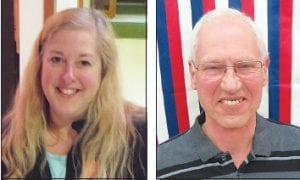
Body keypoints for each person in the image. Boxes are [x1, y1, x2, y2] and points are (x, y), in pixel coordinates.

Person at [2, 8, 147, 179]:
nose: (68, 76)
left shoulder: (141, 136)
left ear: (103, 71)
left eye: (84, 62)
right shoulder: (7, 138)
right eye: (57, 59)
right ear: (40, 65)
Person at [157, 8, 300, 179]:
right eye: (214, 68)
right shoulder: (159, 167)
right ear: (193, 74)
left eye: (245, 65)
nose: (231, 85)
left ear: (265, 70)